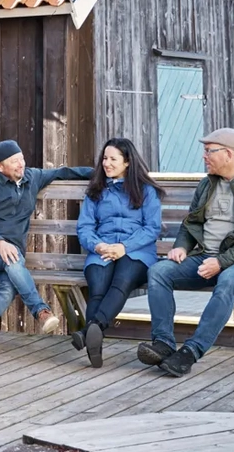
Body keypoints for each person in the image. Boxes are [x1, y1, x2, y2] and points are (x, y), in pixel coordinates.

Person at [137, 128, 234, 377]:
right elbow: (191, 223)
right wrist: (181, 246)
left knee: (227, 281)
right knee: (159, 271)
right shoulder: (207, 185)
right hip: (204, 257)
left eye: (208, 151)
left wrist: (221, 262)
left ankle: (191, 351)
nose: (204, 156)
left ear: (228, 154)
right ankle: (163, 343)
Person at [0, 140, 93, 356]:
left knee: (9, 286)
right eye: (14, 162)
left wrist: (101, 174)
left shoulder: (31, 178)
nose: (21, 165)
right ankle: (41, 312)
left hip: (11, 257)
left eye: (21, 159)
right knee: (12, 258)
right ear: (0, 167)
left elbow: (62, 172)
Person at [72, 138, 165, 368]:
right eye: (104, 158)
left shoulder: (146, 190)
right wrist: (97, 245)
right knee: (98, 287)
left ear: (128, 162)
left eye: (113, 159)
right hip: (102, 249)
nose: (107, 163)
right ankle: (94, 336)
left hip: (136, 252)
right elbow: (84, 227)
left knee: (121, 281)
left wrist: (124, 247)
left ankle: (89, 331)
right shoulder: (96, 191)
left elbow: (151, 228)